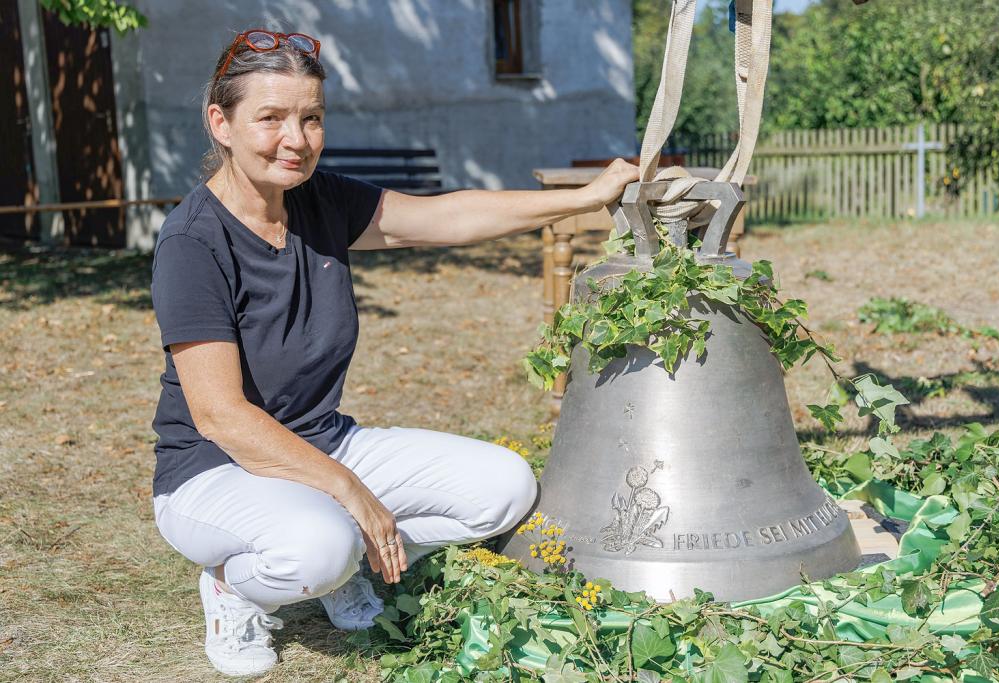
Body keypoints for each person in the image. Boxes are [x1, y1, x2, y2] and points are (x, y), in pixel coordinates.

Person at [149, 28, 639, 677]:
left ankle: (342, 561)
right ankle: (237, 585)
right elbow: (221, 417)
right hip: (214, 471)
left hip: (324, 443)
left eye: (310, 118)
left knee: (506, 489)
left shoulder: (320, 201)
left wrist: (583, 198)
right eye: (270, 118)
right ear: (222, 123)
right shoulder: (193, 242)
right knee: (319, 545)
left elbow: (450, 217)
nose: (295, 139)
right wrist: (350, 492)